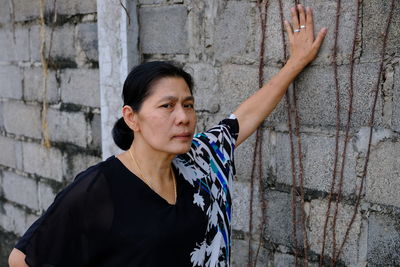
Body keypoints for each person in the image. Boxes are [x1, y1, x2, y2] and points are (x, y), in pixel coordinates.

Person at [8, 4, 326, 267]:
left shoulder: (199, 160)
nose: (183, 117)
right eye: (167, 106)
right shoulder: (99, 189)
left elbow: (243, 118)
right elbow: (21, 259)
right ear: (132, 117)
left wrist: (295, 63)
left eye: (188, 105)